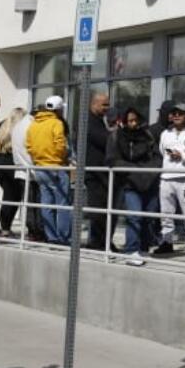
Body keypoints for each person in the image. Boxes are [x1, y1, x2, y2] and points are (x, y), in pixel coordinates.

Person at [107, 107, 160, 265]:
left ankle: (143, 247)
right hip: (129, 182)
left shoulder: (147, 135)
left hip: (149, 181)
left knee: (148, 216)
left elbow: (157, 157)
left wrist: (150, 171)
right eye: (130, 120)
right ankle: (131, 250)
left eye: (136, 120)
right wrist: (133, 170)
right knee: (134, 216)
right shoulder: (116, 136)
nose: (134, 123)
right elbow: (112, 159)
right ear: (124, 121)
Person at [154, 103, 185, 256]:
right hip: (166, 176)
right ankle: (167, 241)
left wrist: (183, 156)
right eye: (174, 113)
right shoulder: (165, 133)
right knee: (166, 212)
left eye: (180, 113)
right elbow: (162, 151)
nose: (177, 116)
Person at [27, 95, 72, 245]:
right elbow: (60, 145)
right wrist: (63, 157)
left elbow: (29, 146)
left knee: (46, 204)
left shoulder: (34, 124)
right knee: (63, 204)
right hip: (56, 166)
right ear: (59, 109)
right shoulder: (56, 123)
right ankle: (63, 238)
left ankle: (51, 236)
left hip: (40, 167)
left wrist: (38, 159)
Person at [10, 106, 45, 242]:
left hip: (21, 170)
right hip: (31, 171)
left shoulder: (19, 125)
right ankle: (37, 232)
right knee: (34, 204)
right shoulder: (32, 126)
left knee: (28, 203)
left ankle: (33, 231)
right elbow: (32, 149)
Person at [0, 107, 25, 237]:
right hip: (11, 165)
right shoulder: (20, 127)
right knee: (12, 197)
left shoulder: (2, 125)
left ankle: (5, 227)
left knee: (7, 195)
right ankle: (5, 228)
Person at [84, 91, 111, 249]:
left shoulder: (99, 120)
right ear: (94, 104)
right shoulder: (90, 121)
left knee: (102, 208)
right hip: (95, 172)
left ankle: (99, 241)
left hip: (100, 171)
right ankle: (97, 242)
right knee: (98, 208)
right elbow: (103, 139)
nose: (107, 108)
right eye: (104, 105)